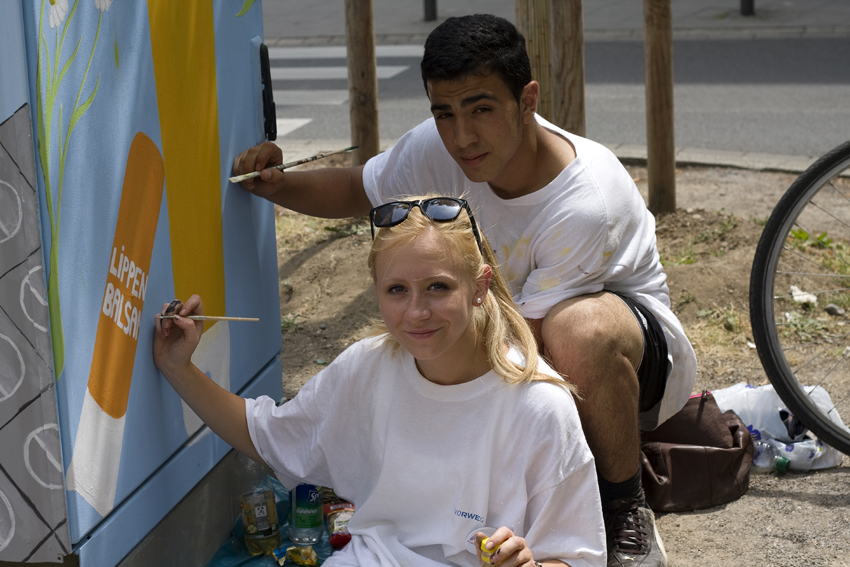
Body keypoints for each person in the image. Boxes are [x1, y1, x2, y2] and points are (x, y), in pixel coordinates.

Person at [232, 14, 695, 567]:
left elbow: (527, 349)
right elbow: (359, 189)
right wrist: (277, 187)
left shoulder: (586, 198)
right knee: (417, 338)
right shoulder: (440, 145)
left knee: (572, 332)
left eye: (481, 109)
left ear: (527, 100)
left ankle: (625, 510)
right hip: (499, 324)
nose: (462, 137)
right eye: (444, 113)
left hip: (628, 360)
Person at [153, 196, 606, 567]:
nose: (415, 313)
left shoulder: (539, 407)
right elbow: (267, 432)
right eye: (397, 290)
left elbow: (577, 557)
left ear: (480, 286)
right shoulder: (368, 368)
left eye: (438, 287)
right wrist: (179, 367)